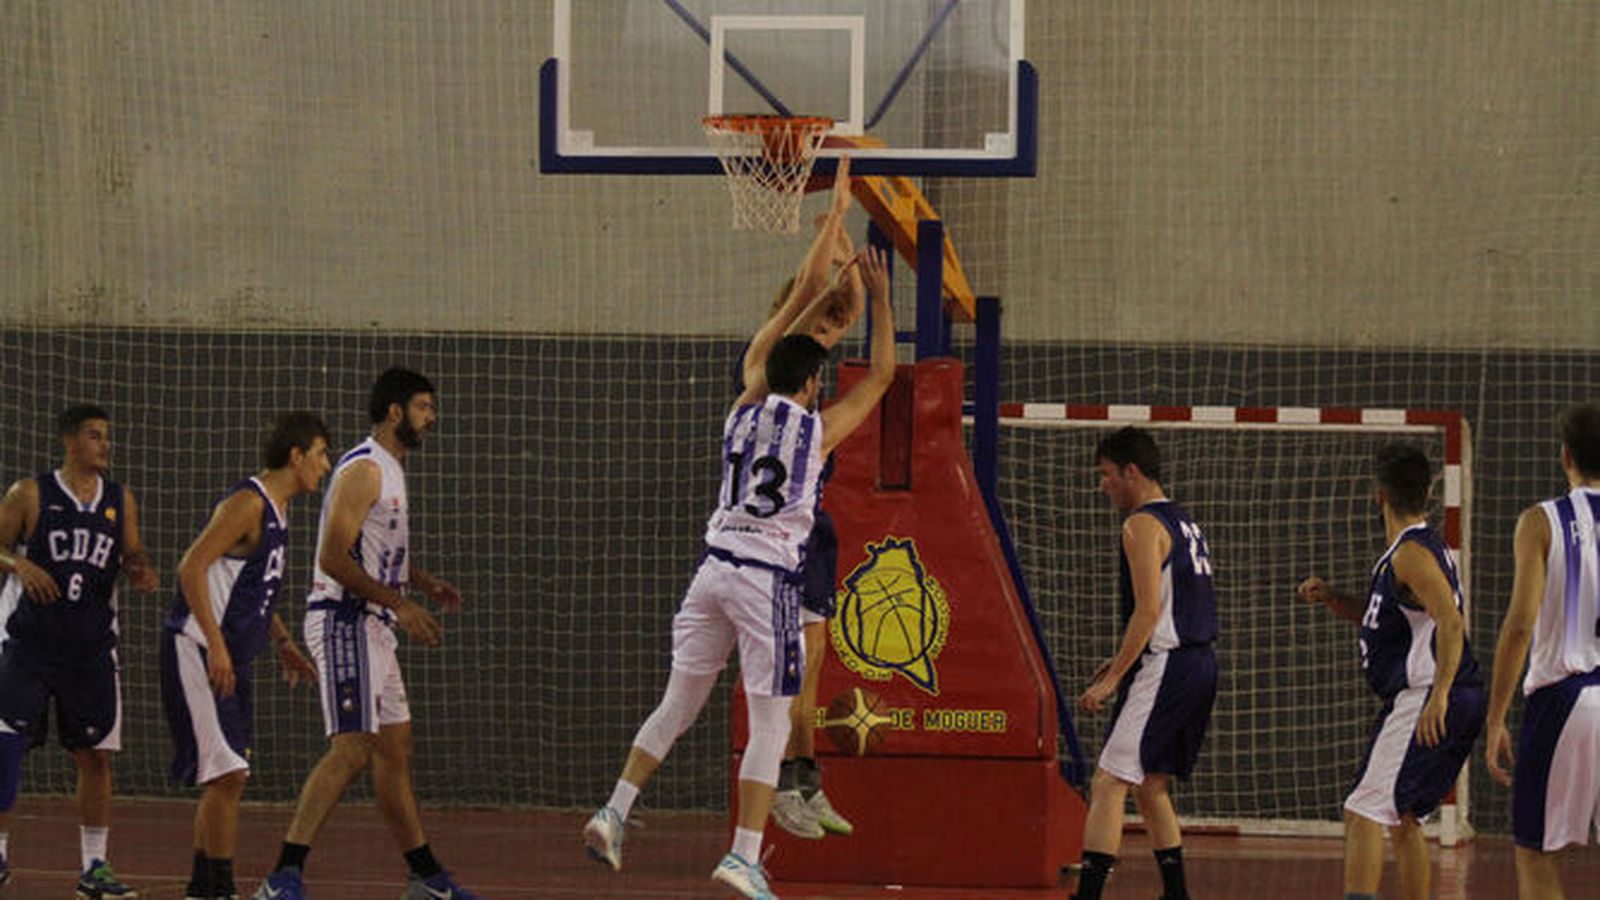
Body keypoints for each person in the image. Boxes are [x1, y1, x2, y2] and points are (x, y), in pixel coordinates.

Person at [584, 159, 897, 900]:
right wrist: (880, 299)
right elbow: (882, 377)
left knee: (678, 705)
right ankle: (745, 854)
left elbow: (786, 328)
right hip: (765, 580)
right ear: (816, 378)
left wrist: (829, 239)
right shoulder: (816, 432)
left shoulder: (741, 409)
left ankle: (614, 809)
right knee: (769, 717)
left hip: (711, 570)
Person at [252, 369, 477, 900]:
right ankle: (282, 876)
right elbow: (333, 557)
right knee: (353, 747)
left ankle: (425, 878)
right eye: (423, 406)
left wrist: (421, 581)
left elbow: (374, 550)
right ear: (395, 412)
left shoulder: (393, 470)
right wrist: (400, 603)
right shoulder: (364, 470)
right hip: (343, 618)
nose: (432, 417)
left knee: (395, 750)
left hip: (373, 622)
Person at [1299, 442, 1485, 900]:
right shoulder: (1413, 552)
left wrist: (1438, 693)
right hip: (1452, 693)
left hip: (1428, 692)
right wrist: (1335, 598)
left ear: (1379, 495)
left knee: (1362, 810)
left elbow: (1451, 620)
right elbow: (1397, 618)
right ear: (1428, 494)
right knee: (1405, 819)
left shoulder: (1411, 554)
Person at [162, 413, 330, 900]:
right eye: (320, 453)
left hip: (232, 653)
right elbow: (190, 566)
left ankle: (202, 888)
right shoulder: (248, 503)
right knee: (228, 775)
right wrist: (214, 644)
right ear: (296, 456)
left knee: (228, 776)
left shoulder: (279, 510)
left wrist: (281, 642)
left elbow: (257, 589)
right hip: (197, 645)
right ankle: (218, 890)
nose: (325, 464)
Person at [0, 404, 160, 899]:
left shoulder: (119, 499)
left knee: (94, 756)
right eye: (95, 435)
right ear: (70, 441)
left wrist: (139, 569)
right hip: (28, 642)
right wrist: (18, 565)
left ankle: (95, 867)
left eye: (107, 436)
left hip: (88, 647)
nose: (105, 444)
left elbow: (132, 552)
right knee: (5, 748)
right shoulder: (30, 493)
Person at [1072, 426, 1216, 900]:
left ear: (1131, 472)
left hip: (1168, 665)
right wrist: (1119, 659)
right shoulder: (1184, 520)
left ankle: (1089, 894)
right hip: (1199, 663)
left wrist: (1114, 679)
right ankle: (1176, 893)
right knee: (1150, 785)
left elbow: (1149, 610)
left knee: (1109, 780)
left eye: (1107, 474)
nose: (1103, 485)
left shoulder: (1140, 525)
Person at [764, 209, 867, 842]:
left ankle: (807, 779)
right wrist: (827, 240)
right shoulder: (777, 357)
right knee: (792, 669)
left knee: (817, 663)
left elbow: (847, 306)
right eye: (823, 322)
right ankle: (781, 785)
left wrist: (850, 257)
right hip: (780, 537)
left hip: (815, 532)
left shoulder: (813, 368)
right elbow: (811, 300)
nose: (834, 329)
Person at [1484, 401, 1600, 899]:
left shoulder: (1541, 521)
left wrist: (1494, 719)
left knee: (1534, 849)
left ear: (1565, 455)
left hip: (1566, 698)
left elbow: (1520, 625)